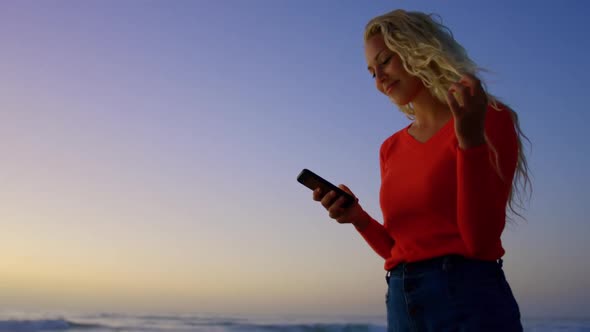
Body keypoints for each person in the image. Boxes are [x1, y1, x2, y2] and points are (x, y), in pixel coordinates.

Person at [311, 9, 531, 332]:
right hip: (402, 306)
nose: (379, 79)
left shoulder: (487, 117)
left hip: (469, 303)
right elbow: (400, 249)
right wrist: (358, 217)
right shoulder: (390, 149)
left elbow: (480, 241)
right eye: (372, 72)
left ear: (417, 48)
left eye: (385, 61)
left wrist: (469, 140)